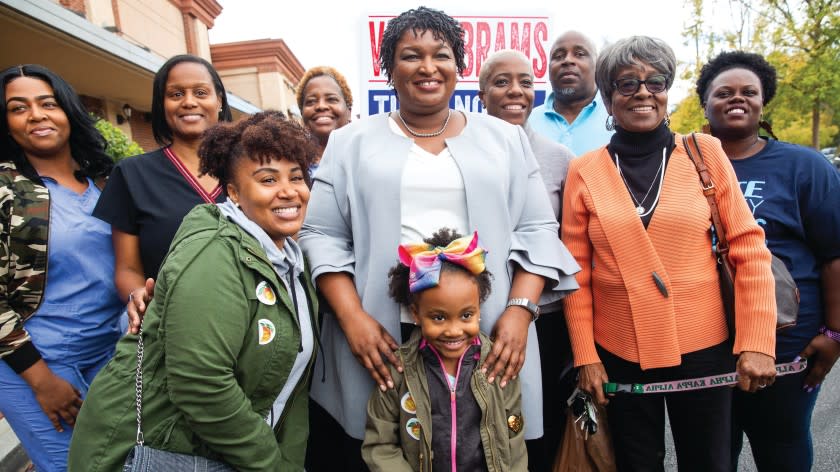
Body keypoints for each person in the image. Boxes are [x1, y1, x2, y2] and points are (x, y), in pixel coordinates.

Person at [299, 6, 579, 470]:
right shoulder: (350, 142)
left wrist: (520, 310)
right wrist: (352, 319)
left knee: (485, 449)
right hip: (383, 335)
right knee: (386, 450)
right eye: (411, 55)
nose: (428, 67)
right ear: (389, 67)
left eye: (441, 55)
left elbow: (537, 229)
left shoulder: (505, 140)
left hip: (483, 329)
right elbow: (322, 235)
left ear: (459, 66)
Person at [562, 36, 778, 472]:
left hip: (704, 345)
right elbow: (576, 274)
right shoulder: (583, 170)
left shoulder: (704, 152)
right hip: (619, 350)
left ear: (667, 90)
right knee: (636, 464)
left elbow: (749, 249)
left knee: (710, 462)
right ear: (607, 98)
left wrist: (757, 343)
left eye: (654, 81)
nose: (643, 92)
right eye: (626, 84)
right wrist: (586, 356)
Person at [68, 111, 319, 471]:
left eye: (297, 177)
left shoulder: (289, 258)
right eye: (267, 179)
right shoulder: (215, 252)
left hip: (224, 451)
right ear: (233, 192)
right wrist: (272, 465)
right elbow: (201, 384)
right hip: (156, 450)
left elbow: (291, 389)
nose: (288, 190)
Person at [696, 51, 840, 472]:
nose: (736, 99)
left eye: (748, 92)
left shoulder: (804, 166)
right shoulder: (683, 165)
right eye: (723, 92)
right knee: (712, 452)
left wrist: (834, 332)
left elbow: (834, 256)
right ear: (705, 102)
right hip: (705, 343)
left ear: (763, 101)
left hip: (787, 341)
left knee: (782, 445)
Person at [0, 64, 123, 472]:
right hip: (36, 362)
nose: (36, 115)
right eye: (19, 108)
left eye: (47, 103)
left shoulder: (105, 182)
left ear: (68, 110)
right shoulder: (9, 190)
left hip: (110, 352)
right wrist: (42, 382)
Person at [478, 49, 576, 471]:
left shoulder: (559, 158)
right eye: (501, 82)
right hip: (477, 316)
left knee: (540, 423)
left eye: (525, 81)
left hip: (545, 319)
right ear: (482, 93)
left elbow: (567, 244)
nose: (515, 91)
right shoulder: (461, 153)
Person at [362, 229, 527, 471]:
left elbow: (514, 436)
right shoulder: (398, 371)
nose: (453, 331)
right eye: (439, 317)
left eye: (466, 315)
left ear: (479, 309)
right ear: (416, 314)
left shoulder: (497, 364)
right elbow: (380, 445)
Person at [93, 54, 232, 334]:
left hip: (255, 323)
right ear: (162, 105)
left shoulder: (248, 170)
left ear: (219, 100)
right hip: (172, 327)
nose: (189, 101)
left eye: (201, 92)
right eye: (176, 94)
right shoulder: (132, 175)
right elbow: (127, 269)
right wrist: (138, 297)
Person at [527, 31, 613, 156]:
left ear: (597, 65)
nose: (567, 60)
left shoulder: (616, 118)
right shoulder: (528, 123)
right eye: (558, 56)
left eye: (579, 54)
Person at [296, 66, 353, 174]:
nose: (321, 106)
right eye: (311, 101)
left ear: (349, 112)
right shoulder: (291, 163)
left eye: (331, 99)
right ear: (302, 114)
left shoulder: (364, 160)